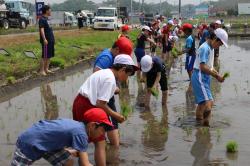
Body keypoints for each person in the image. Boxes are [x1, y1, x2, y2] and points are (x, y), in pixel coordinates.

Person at [72, 54, 138, 166]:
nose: (126, 79)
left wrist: (114, 89)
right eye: (127, 75)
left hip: (80, 102)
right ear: (122, 70)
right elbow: (101, 104)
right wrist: (117, 116)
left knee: (82, 139)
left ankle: (83, 162)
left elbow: (102, 88)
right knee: (99, 142)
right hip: (87, 106)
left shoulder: (105, 72)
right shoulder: (110, 79)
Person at [11, 108, 113, 166]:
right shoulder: (81, 135)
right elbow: (85, 164)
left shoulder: (78, 126)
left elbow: (55, 136)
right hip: (29, 144)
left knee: (67, 160)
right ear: (92, 125)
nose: (102, 134)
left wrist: (70, 151)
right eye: (103, 130)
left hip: (46, 142)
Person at [92, 38, 133, 161]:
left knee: (107, 125)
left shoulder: (111, 56)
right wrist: (114, 87)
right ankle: (114, 155)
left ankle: (110, 150)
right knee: (111, 123)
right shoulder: (107, 58)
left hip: (105, 96)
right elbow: (96, 74)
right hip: (103, 98)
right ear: (116, 50)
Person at [191, 28, 228, 126]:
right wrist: (216, 76)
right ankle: (205, 126)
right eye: (219, 44)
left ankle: (199, 123)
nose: (218, 46)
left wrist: (218, 75)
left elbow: (209, 66)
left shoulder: (210, 48)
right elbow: (202, 67)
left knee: (203, 103)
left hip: (204, 77)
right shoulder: (205, 48)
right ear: (215, 38)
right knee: (208, 103)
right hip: (199, 76)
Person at [39, 5, 55, 76]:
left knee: (49, 55)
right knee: (44, 56)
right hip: (46, 41)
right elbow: (41, 30)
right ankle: (41, 70)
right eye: (50, 10)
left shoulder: (47, 19)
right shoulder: (42, 19)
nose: (51, 11)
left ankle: (46, 69)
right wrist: (44, 39)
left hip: (51, 40)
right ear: (46, 11)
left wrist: (53, 38)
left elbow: (50, 30)